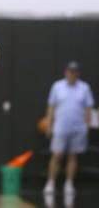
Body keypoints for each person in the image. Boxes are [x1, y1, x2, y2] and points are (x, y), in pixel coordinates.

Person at [42, 60, 95, 196]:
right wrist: (49, 123)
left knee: (73, 156)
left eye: (74, 72)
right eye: (70, 71)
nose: (72, 74)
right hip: (60, 127)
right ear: (66, 72)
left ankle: (69, 184)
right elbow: (51, 106)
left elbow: (88, 107)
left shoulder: (84, 88)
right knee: (57, 155)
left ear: (78, 74)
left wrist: (87, 124)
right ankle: (50, 182)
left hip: (78, 129)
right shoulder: (57, 87)